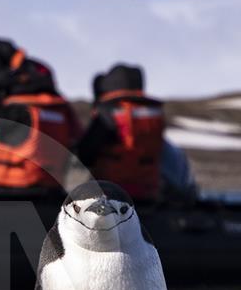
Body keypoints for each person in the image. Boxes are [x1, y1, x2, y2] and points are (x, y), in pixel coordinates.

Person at [0, 39, 81, 189]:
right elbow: (80, 141)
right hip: (51, 191)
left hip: (11, 190)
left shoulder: (14, 109)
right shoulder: (60, 107)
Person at [77, 63, 190, 201]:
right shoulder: (153, 114)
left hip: (110, 195)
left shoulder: (107, 112)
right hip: (148, 196)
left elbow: (85, 154)